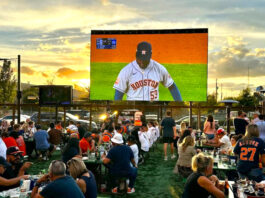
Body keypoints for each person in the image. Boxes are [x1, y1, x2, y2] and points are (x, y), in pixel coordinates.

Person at [113, 41, 182, 101]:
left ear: (150, 56)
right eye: (140, 59)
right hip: (133, 107)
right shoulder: (126, 71)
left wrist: (180, 104)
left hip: (153, 107)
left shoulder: (159, 68)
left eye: (145, 59)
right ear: (136, 56)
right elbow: (118, 93)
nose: (142, 62)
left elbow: (172, 86)